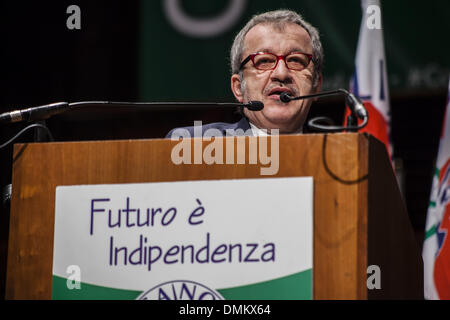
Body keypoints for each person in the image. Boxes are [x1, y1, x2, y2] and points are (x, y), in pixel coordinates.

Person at [167, 9, 323, 137]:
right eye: (264, 61)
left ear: (317, 85)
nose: (281, 73)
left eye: (295, 60)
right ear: (238, 87)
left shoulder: (338, 154)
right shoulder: (193, 146)